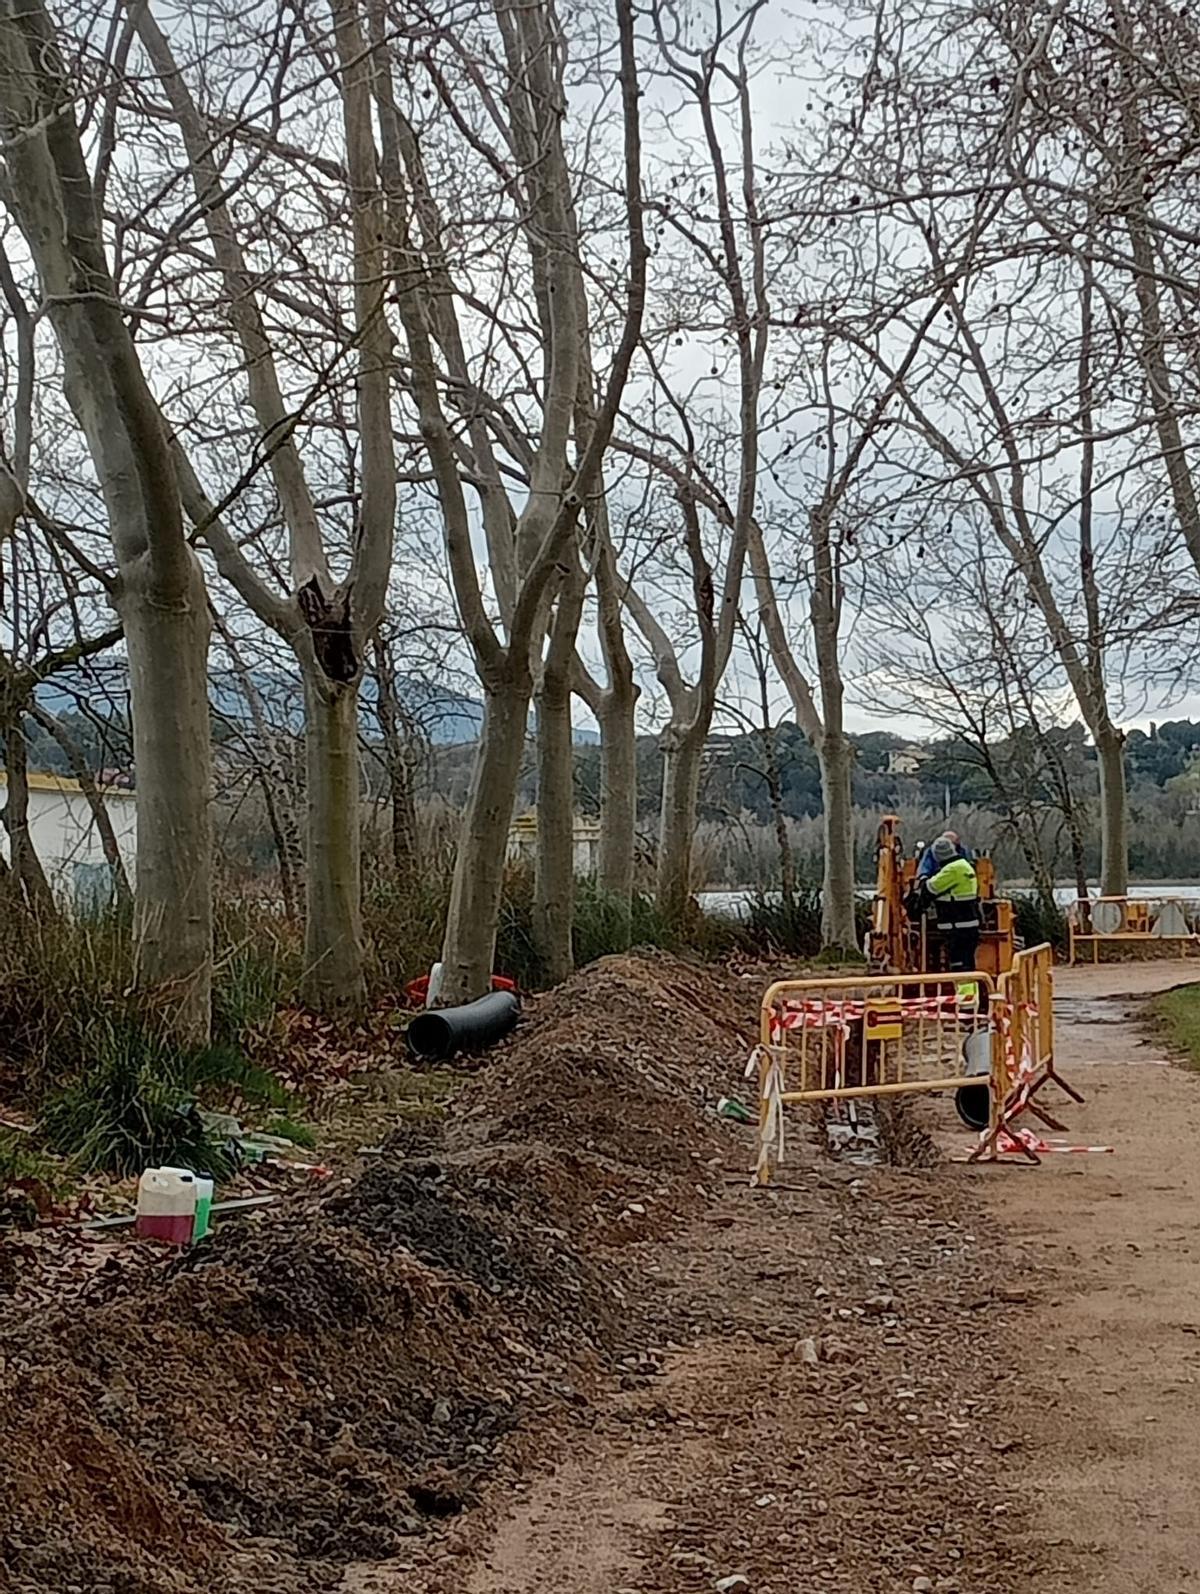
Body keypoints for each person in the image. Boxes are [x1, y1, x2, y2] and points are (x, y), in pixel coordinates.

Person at [924, 834, 981, 995]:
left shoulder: (952, 870)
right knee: (967, 965)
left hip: (957, 927)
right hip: (967, 926)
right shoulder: (963, 865)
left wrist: (922, 882)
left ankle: (966, 1001)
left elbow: (931, 888)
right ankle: (971, 999)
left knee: (959, 965)